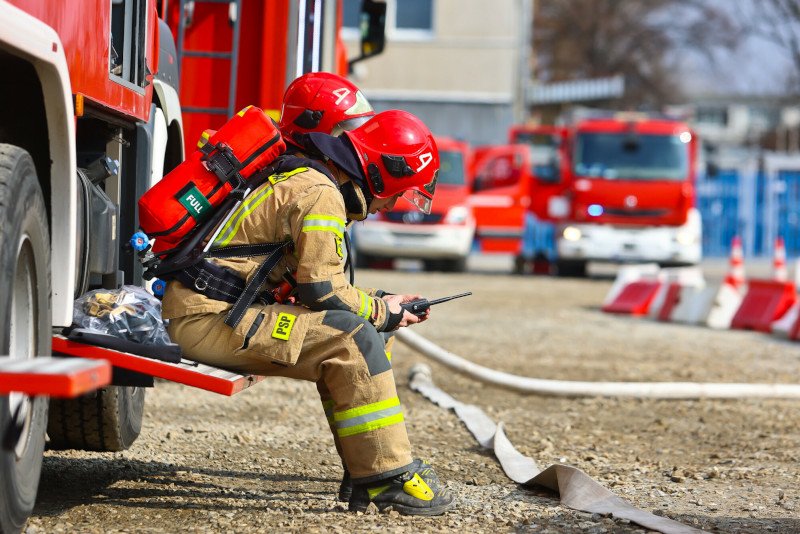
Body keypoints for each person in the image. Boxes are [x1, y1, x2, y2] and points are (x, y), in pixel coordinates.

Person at [161, 109, 455, 516]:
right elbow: (322, 291)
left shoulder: (312, 179)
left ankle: (365, 468)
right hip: (208, 321)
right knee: (353, 337)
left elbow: (318, 288)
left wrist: (380, 306)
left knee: (367, 329)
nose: (388, 205)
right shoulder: (321, 193)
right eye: (398, 193)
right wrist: (380, 311)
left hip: (213, 311)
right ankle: (386, 478)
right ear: (382, 175)